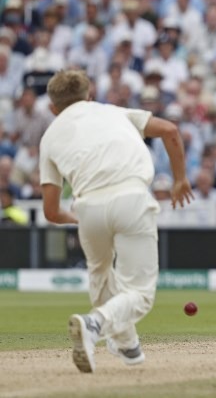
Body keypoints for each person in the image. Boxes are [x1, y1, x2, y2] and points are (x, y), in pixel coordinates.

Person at [38, 70, 194, 373]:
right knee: (140, 294)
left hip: (87, 206)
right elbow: (170, 131)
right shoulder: (113, 111)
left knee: (100, 274)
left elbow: (51, 212)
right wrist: (179, 179)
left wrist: (79, 219)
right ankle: (94, 323)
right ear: (89, 95)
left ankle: (128, 346)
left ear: (52, 108)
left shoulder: (49, 137)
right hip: (132, 198)